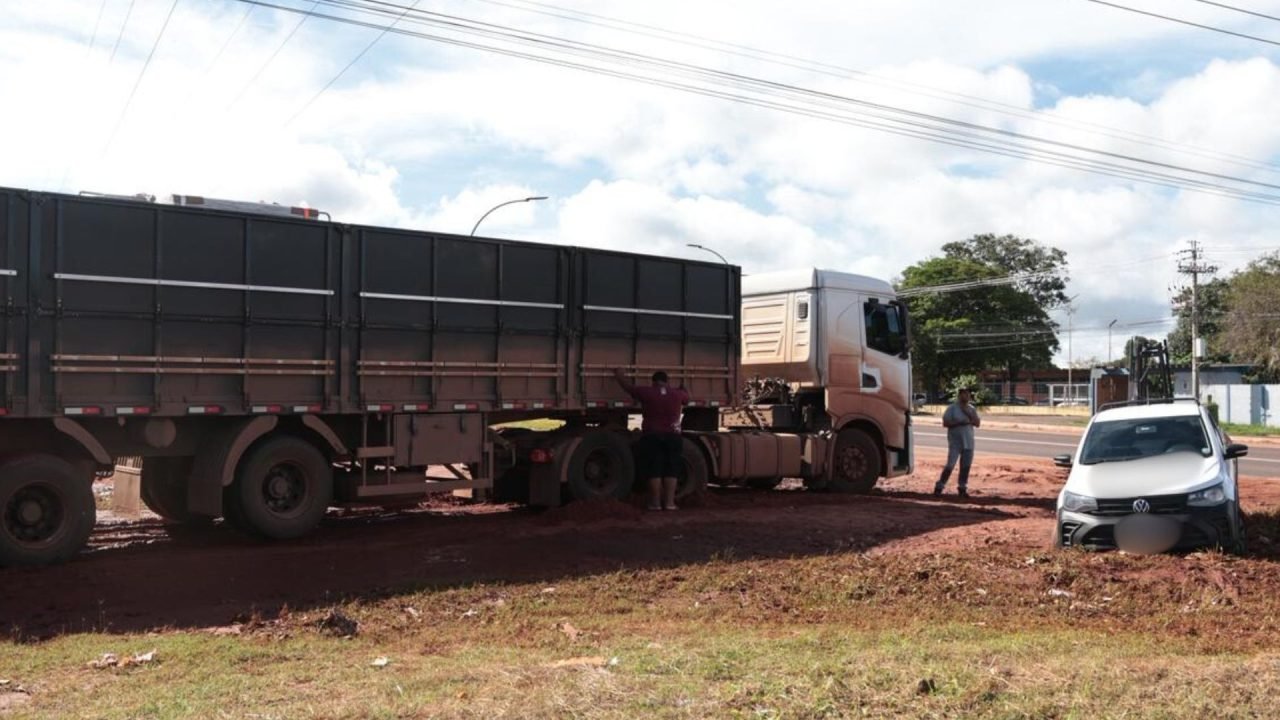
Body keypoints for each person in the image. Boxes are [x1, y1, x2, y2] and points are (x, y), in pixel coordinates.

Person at [613, 368, 689, 510]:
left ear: (653, 382)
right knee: (671, 469)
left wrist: (619, 376)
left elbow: (629, 388)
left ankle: (655, 503)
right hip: (673, 435)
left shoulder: (646, 392)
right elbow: (687, 398)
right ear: (667, 382)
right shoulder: (677, 394)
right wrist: (683, 388)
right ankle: (670, 503)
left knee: (654, 469)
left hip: (652, 435)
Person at [934, 387, 981, 498]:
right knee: (950, 465)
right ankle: (940, 486)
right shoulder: (952, 408)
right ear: (959, 396)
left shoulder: (971, 409)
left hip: (968, 442)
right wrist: (959, 422)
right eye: (964, 394)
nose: (966, 397)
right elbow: (945, 423)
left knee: (965, 466)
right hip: (955, 442)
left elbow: (977, 423)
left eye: (968, 394)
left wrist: (969, 415)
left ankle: (962, 488)